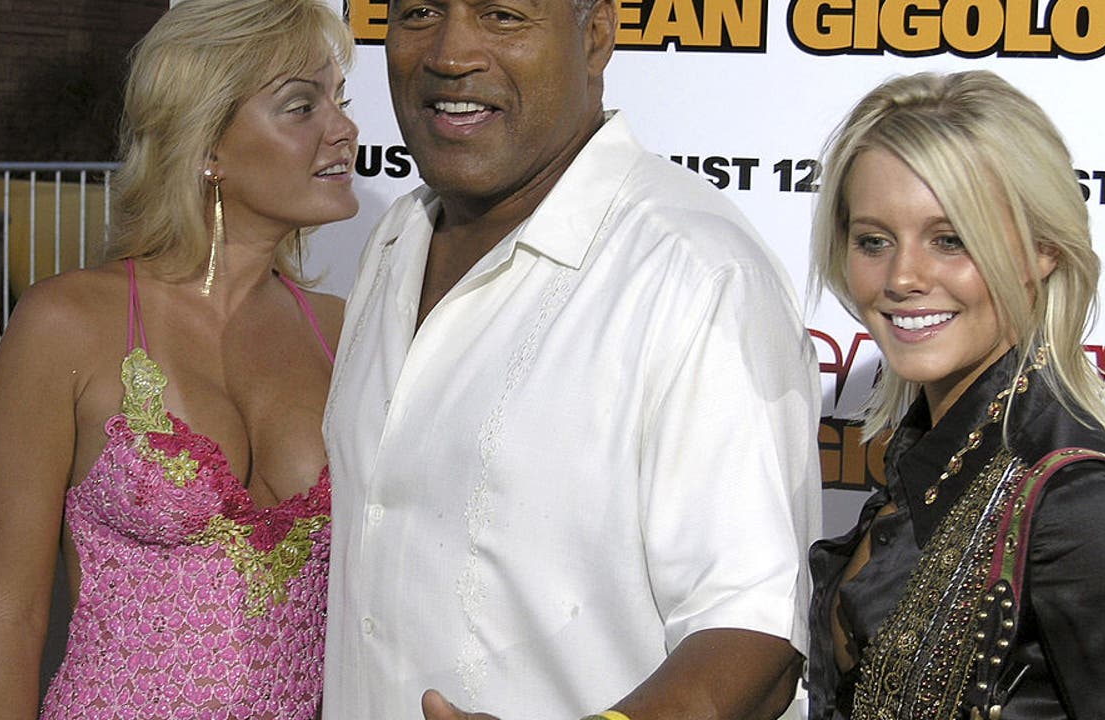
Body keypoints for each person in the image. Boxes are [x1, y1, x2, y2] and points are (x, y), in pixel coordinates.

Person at [321, 0, 821, 716]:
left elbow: (757, 638)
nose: (451, 54)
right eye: (421, 12)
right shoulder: (395, 238)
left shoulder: (698, 275)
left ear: (597, 37)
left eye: (502, 16)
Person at [0, 0, 358, 717]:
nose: (344, 130)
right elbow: (6, 623)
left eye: (341, 101)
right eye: (302, 106)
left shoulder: (347, 333)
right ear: (207, 145)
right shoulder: (67, 324)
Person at [806, 70, 1105, 720]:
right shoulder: (934, 459)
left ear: (1042, 250)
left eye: (950, 240)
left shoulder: (1078, 512)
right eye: (874, 241)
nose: (902, 277)